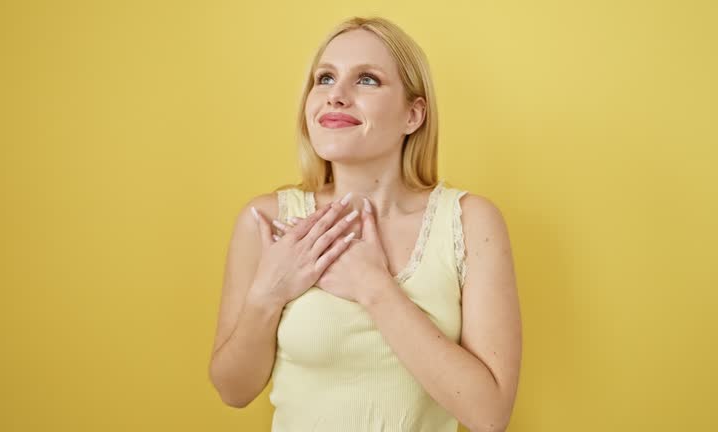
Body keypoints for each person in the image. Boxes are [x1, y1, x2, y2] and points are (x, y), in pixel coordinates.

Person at [209, 15, 521, 432]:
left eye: (367, 80)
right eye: (324, 78)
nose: (336, 96)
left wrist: (375, 288)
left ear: (414, 115)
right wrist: (269, 293)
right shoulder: (266, 220)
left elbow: (489, 415)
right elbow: (234, 390)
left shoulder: (468, 221)